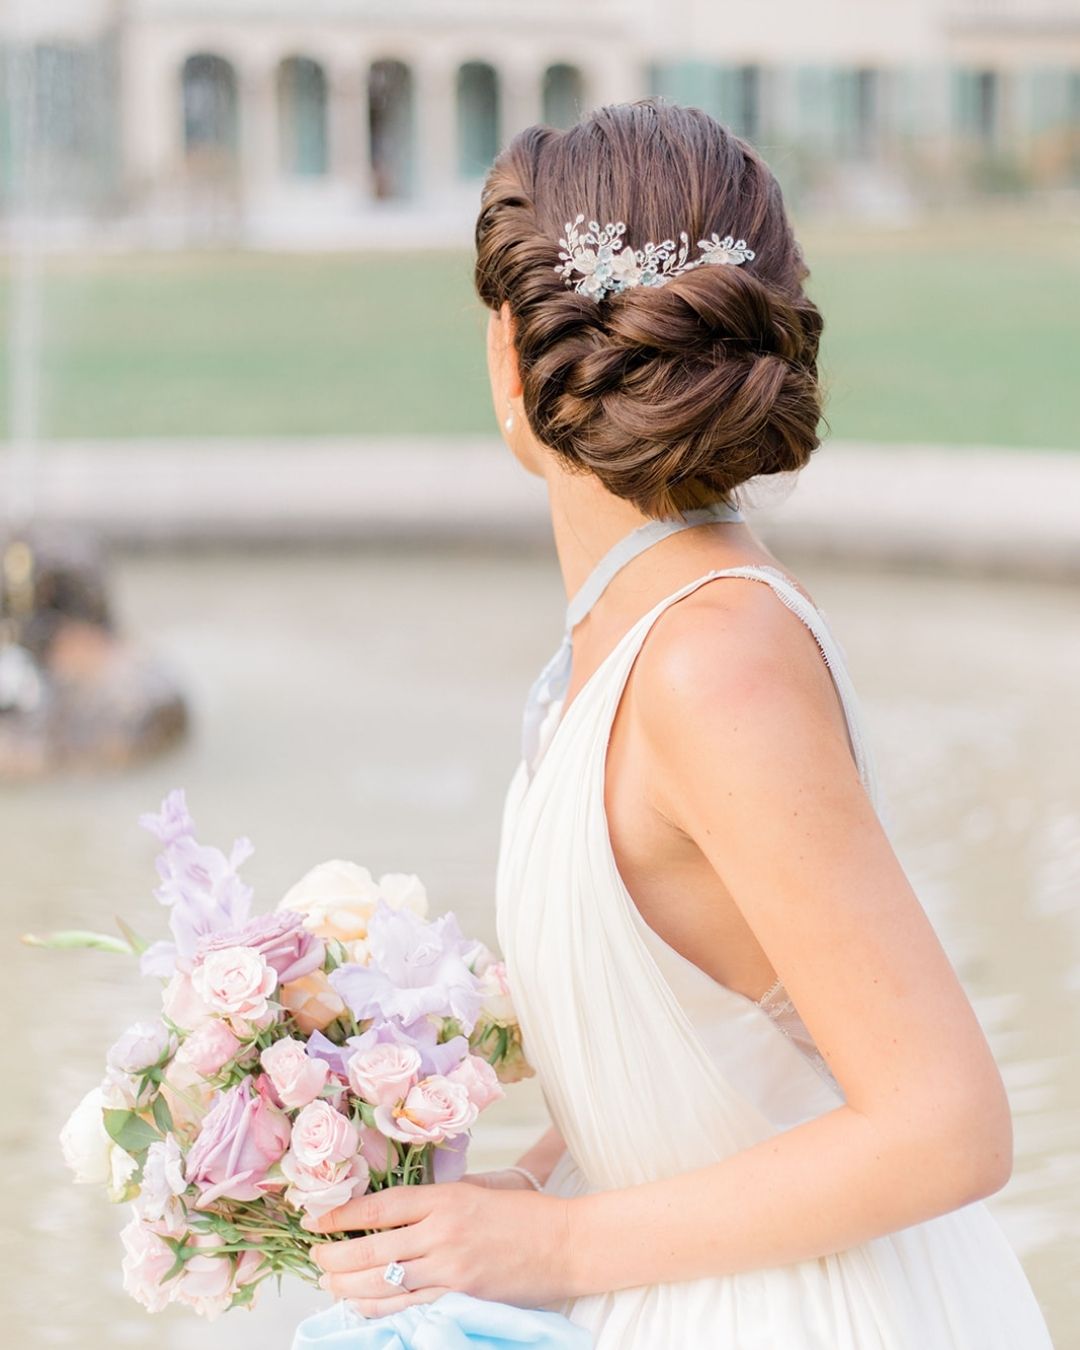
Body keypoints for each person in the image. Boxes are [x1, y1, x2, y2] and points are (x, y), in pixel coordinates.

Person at [308, 98, 1055, 1348]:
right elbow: (728, 1018)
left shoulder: (716, 660)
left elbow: (949, 1125)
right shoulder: (637, 630)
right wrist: (536, 1177)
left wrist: (559, 1245)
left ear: (511, 359)